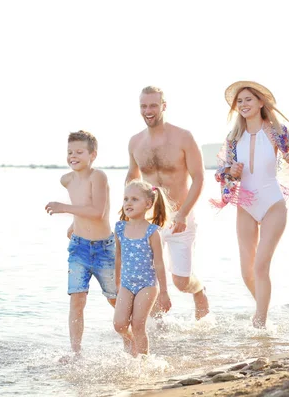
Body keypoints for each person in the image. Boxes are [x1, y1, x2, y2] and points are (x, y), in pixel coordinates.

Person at [211, 80, 289, 328]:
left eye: (248, 99)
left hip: (272, 204)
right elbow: (223, 172)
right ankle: (264, 308)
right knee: (247, 272)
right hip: (245, 204)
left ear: (260, 103)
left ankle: (260, 324)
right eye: (240, 101)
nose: (243, 104)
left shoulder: (275, 130)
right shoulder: (234, 137)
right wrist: (231, 170)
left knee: (260, 265)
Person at [126, 86, 209, 320]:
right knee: (146, 277)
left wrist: (183, 213)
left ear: (164, 106)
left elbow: (199, 177)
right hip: (150, 219)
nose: (148, 110)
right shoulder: (135, 142)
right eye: (144, 106)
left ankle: (199, 290)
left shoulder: (183, 137)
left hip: (180, 217)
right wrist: (127, 212)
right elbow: (132, 177)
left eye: (153, 105)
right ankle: (156, 332)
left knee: (181, 282)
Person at [45, 130, 116, 355]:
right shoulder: (66, 179)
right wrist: (74, 225)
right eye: (69, 152)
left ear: (92, 155)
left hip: (104, 249)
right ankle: (76, 353)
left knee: (115, 301)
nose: (73, 156)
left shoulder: (99, 176)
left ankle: (131, 339)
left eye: (79, 152)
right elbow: (83, 207)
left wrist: (64, 208)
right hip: (79, 248)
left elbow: (97, 212)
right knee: (77, 300)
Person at [113, 180, 172, 356]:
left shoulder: (152, 231)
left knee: (138, 325)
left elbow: (159, 263)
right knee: (119, 324)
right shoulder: (119, 228)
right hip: (126, 283)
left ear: (148, 204)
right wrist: (116, 284)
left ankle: (144, 362)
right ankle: (131, 345)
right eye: (125, 199)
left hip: (147, 285)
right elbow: (118, 257)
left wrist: (164, 292)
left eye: (134, 199)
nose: (128, 203)